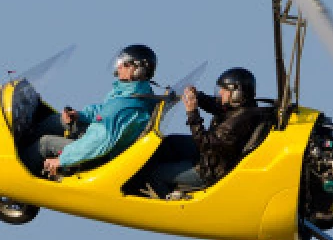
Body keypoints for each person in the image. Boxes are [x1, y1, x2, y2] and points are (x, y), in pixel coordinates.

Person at [20, 44, 159, 177]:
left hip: (104, 158)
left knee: (45, 144)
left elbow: (99, 141)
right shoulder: (136, 93)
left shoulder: (126, 106)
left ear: (138, 71)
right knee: (58, 120)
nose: (119, 66)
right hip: (106, 146)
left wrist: (62, 160)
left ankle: (17, 177)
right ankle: (22, 147)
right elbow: (104, 110)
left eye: (125, 64)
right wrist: (80, 115)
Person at [147, 67, 268, 196]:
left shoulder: (239, 122)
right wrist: (197, 96)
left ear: (237, 93)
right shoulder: (241, 108)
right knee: (170, 143)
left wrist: (192, 113)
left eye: (224, 89)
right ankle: (173, 174)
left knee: (154, 174)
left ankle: (168, 207)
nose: (220, 92)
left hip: (210, 170)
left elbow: (206, 143)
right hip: (213, 157)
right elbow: (216, 106)